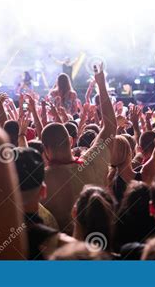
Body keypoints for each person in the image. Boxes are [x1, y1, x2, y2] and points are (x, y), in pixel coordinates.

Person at [43, 63, 116, 234]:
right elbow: (111, 127)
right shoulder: (90, 164)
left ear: (46, 149)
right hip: (96, 252)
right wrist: (101, 85)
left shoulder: (39, 182)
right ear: (70, 140)